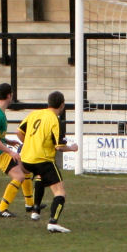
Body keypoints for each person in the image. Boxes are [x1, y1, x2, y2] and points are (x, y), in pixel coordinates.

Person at [17, 91, 78, 233]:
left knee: (40, 176)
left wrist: (30, 144)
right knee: (60, 192)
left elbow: (19, 132)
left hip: (26, 159)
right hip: (43, 159)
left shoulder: (34, 114)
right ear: (62, 105)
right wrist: (72, 148)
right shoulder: (54, 120)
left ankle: (36, 210)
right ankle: (53, 222)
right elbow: (59, 147)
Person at [0, 83, 34, 218]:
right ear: (8, 95)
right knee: (19, 176)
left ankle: (30, 205)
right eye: (11, 94)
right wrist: (10, 151)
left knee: (26, 169)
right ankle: (1, 209)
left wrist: (8, 141)